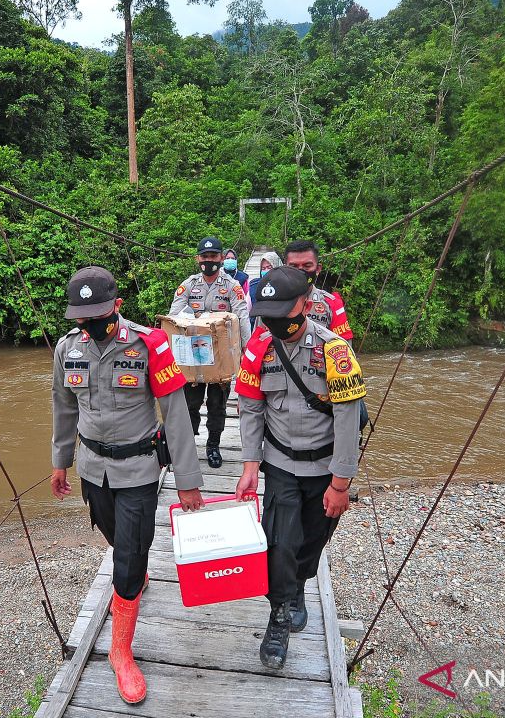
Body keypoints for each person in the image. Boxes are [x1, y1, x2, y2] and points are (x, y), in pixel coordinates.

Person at [50, 266, 204, 705]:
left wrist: (189, 483)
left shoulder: (150, 344)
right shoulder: (67, 349)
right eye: (82, 318)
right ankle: (132, 576)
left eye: (97, 316)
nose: (89, 326)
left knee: (131, 554)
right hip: (92, 467)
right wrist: (60, 462)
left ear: (116, 307)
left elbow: (176, 415)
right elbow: (62, 407)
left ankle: (121, 651)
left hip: (138, 469)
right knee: (116, 538)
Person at [232, 265, 365, 670]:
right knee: (279, 543)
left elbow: (347, 417)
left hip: (325, 467)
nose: (274, 325)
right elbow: (251, 407)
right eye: (266, 317)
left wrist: (340, 483)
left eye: (282, 316)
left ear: (305, 306)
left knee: (311, 542)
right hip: (281, 464)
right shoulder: (259, 346)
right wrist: (250, 462)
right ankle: (278, 615)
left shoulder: (335, 351)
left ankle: (299, 585)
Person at [169, 236, 252, 468]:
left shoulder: (232, 287)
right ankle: (189, 446)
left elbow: (242, 317)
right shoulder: (188, 285)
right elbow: (174, 316)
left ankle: (213, 446)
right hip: (192, 356)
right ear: (198, 259)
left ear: (221, 258)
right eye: (205, 257)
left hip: (221, 356)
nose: (209, 261)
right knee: (190, 403)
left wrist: (249, 351)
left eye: (214, 256)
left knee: (217, 404)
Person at [282, 239, 353, 340]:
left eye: (307, 266)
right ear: (284, 269)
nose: (300, 272)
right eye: (294, 266)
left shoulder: (332, 303)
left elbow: (344, 346)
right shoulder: (269, 303)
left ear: (318, 269)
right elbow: (258, 344)